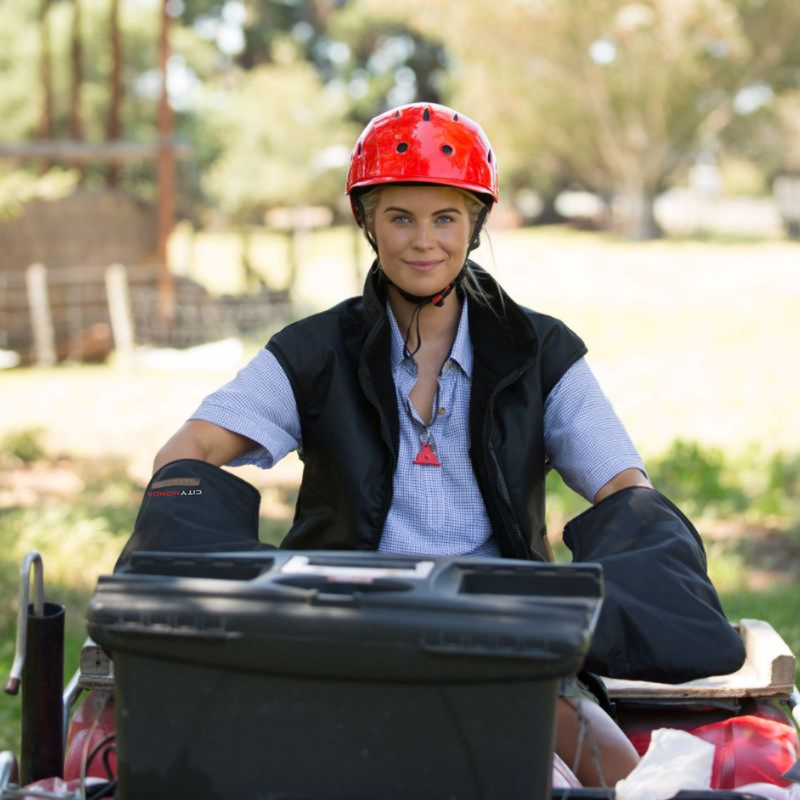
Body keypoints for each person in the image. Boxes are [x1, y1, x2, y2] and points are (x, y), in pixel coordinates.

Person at [153, 103, 649, 786]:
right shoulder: (315, 350)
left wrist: (627, 580)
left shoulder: (542, 351)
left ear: (475, 226)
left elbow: (624, 486)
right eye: (400, 217)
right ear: (367, 223)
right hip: (344, 631)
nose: (424, 241)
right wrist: (233, 577)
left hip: (502, 632)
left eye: (445, 217)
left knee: (624, 776)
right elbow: (191, 448)